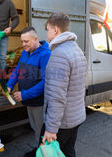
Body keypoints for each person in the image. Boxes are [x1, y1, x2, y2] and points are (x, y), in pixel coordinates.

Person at [42, 12, 87, 157]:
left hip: (62, 122)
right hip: (75, 117)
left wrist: (51, 129)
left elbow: (56, 97)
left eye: (48, 29)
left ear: (55, 30)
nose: (47, 33)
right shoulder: (77, 50)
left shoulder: (59, 54)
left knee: (48, 153)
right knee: (68, 151)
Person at [6, 27, 51, 157]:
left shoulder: (45, 54)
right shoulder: (26, 52)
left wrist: (24, 94)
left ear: (35, 39)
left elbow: (45, 83)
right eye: (22, 41)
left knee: (41, 130)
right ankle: (39, 150)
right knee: (35, 127)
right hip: (28, 101)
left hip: (38, 102)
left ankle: (44, 153)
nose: (23, 44)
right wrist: (9, 85)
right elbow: (18, 70)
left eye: (26, 41)